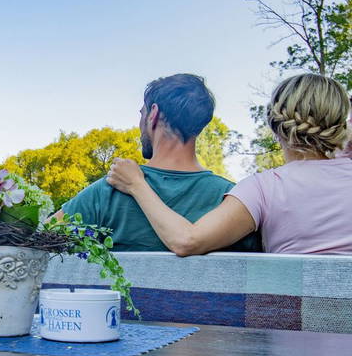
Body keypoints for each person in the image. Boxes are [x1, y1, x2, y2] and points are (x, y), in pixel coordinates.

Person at [107, 73, 352, 255]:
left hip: (296, 323)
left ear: (275, 124)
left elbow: (187, 241)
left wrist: (137, 184)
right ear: (340, 124)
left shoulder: (263, 189)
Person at [53, 73, 260, 252]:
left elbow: (40, 240)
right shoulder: (231, 199)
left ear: (153, 114)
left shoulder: (110, 189)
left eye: (141, 114)